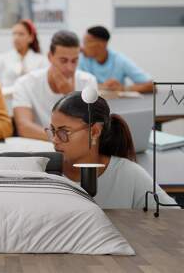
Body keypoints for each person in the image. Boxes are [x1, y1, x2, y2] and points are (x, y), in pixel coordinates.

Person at [48, 91, 176, 209]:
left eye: (64, 132)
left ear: (94, 131)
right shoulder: (43, 172)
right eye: (53, 130)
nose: (55, 140)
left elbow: (174, 220)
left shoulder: (128, 173)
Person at [13, 30, 97, 141]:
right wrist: (60, 138)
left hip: (75, 150)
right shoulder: (25, 83)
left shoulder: (88, 81)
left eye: (74, 61)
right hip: (42, 147)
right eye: (63, 61)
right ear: (50, 56)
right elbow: (24, 127)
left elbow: (90, 127)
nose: (70, 68)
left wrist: (70, 96)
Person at [79, 25, 153, 93]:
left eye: (86, 43)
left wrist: (123, 88)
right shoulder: (82, 59)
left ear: (102, 44)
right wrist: (104, 87)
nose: (81, 48)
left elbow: (151, 86)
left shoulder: (119, 60)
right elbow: (75, 85)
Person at [0, 20, 48, 89]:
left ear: (31, 38)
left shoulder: (41, 61)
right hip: (8, 99)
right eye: (14, 34)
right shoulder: (2, 59)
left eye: (21, 34)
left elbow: (43, 86)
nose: (16, 38)